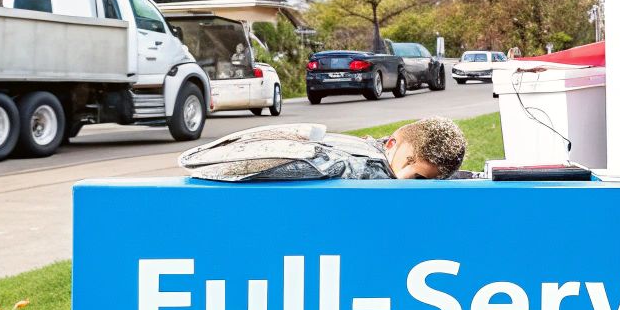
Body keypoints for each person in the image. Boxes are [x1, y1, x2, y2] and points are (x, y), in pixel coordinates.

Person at [180, 116, 467, 182]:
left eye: (421, 182)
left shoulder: (371, 150)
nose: (406, 182)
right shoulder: (361, 167)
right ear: (390, 145)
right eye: (411, 170)